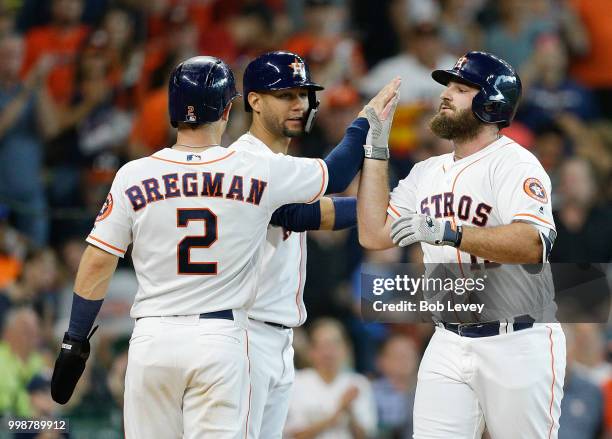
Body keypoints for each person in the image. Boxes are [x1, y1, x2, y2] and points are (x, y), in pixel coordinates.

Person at [49, 55, 343, 439]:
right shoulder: (249, 168)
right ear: (227, 109)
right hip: (219, 338)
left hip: (152, 338)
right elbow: (335, 176)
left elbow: (97, 263)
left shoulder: (132, 175)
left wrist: (74, 341)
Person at [356, 51, 566, 439]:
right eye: (448, 86)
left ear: (491, 103)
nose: (446, 94)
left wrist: (450, 232)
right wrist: (375, 151)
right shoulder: (425, 172)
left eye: (461, 88)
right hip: (448, 340)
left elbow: (533, 243)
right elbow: (373, 234)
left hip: (516, 339)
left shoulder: (515, 164)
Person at [229, 50, 400, 439]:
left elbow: (313, 215)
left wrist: (397, 205)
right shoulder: (246, 160)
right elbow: (337, 174)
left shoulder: (279, 167)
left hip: (275, 337)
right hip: (244, 333)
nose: (298, 104)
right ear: (253, 101)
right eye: (285, 95)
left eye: (303, 95)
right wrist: (367, 119)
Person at [284, 318, 377, 439]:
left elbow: (366, 435)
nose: (328, 352)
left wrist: (350, 411)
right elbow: (295, 435)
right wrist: (339, 411)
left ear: (346, 349)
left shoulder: (359, 383)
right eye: (322, 346)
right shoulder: (296, 381)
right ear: (311, 351)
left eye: (335, 344)